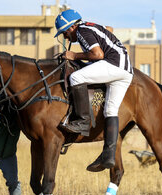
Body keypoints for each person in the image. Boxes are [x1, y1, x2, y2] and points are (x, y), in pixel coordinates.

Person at [54, 9, 134, 172]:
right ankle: (109, 155)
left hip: (114, 64)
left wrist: (74, 55)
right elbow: (108, 32)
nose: (66, 38)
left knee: (76, 78)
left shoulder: (82, 30)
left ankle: (82, 122)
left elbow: (97, 54)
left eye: (64, 33)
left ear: (70, 28)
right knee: (111, 110)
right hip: (126, 71)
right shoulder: (90, 27)